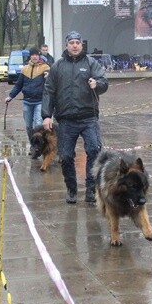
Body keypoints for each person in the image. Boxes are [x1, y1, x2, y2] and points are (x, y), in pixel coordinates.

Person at [42, 30, 108, 204]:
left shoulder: (91, 63)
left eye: (78, 42)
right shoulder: (57, 66)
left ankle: (90, 189)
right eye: (71, 43)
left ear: (81, 44)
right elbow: (49, 91)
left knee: (94, 150)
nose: (75, 45)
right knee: (66, 156)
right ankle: (71, 188)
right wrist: (47, 115)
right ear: (66, 45)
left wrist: (97, 84)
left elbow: (104, 82)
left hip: (89, 117)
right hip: (66, 119)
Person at [5, 46, 48, 139]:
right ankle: (33, 144)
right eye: (32, 55)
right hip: (27, 102)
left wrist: (48, 76)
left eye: (36, 55)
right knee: (28, 126)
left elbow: (51, 83)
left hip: (40, 102)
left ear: (39, 56)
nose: (34, 57)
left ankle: (39, 146)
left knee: (37, 125)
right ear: (30, 56)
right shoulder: (25, 69)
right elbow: (18, 85)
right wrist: (10, 96)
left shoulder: (45, 68)